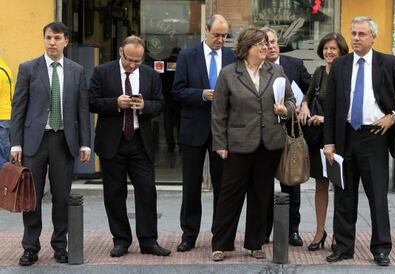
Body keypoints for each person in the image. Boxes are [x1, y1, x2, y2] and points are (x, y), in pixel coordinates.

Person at [324, 16, 395, 266]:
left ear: (373, 37)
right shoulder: (340, 65)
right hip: (344, 137)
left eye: (362, 34)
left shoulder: (388, 63)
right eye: (353, 33)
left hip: (375, 137)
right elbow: (330, 107)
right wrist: (328, 142)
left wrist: (393, 116)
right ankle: (343, 246)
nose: (356, 38)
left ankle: (381, 248)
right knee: (344, 195)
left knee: (377, 195)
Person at [210, 28, 296, 261]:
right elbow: (218, 113)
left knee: (262, 194)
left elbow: (291, 100)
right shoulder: (229, 73)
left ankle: (255, 243)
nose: (265, 47)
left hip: (269, 144)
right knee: (230, 195)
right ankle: (220, 243)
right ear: (247, 48)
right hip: (238, 143)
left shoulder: (276, 70)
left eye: (266, 43)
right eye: (260, 44)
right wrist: (220, 143)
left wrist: (285, 110)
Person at [10, 22, 91, 266]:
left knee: (61, 197)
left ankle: (60, 245)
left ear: (66, 41)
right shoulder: (28, 69)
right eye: (48, 38)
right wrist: (16, 144)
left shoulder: (77, 70)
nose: (52, 42)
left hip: (63, 141)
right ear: (43, 40)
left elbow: (82, 110)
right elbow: (19, 108)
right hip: (34, 142)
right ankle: (30, 247)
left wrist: (85, 144)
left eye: (57, 38)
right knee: (31, 197)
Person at [89, 35, 170, 257]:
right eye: (129, 60)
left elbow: (161, 104)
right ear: (120, 53)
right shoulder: (102, 72)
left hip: (139, 141)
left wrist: (145, 106)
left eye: (138, 61)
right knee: (114, 193)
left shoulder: (151, 75)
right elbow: (91, 101)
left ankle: (148, 241)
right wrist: (115, 103)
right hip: (111, 142)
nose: (133, 65)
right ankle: (121, 240)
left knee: (147, 191)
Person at [172, 14, 237, 252]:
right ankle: (189, 234)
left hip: (223, 130)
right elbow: (177, 91)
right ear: (206, 30)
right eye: (216, 34)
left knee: (223, 185)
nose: (221, 39)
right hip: (193, 128)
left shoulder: (232, 57)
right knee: (191, 185)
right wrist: (202, 94)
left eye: (224, 35)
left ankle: (219, 236)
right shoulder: (188, 56)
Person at [298, 32, 349, 251]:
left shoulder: (348, 73)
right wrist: (305, 106)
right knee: (320, 184)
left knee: (341, 187)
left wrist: (325, 118)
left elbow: (348, 110)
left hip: (342, 138)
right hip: (320, 139)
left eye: (333, 49)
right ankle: (320, 232)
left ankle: (340, 233)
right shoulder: (319, 72)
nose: (329, 52)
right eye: (326, 48)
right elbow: (308, 96)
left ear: (341, 51)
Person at [262, 27, 311, 246]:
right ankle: (263, 232)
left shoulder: (294, 65)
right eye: (265, 42)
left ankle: (293, 230)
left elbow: (311, 90)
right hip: (263, 135)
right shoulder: (256, 68)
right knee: (262, 186)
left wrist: (306, 105)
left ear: (277, 43)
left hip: (290, 134)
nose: (270, 46)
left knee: (291, 184)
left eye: (272, 41)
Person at [0, 55, 14, 169]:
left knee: (3, 156)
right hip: (7, 115)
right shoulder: (6, 68)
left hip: (1, 118)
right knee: (6, 153)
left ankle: (4, 184)